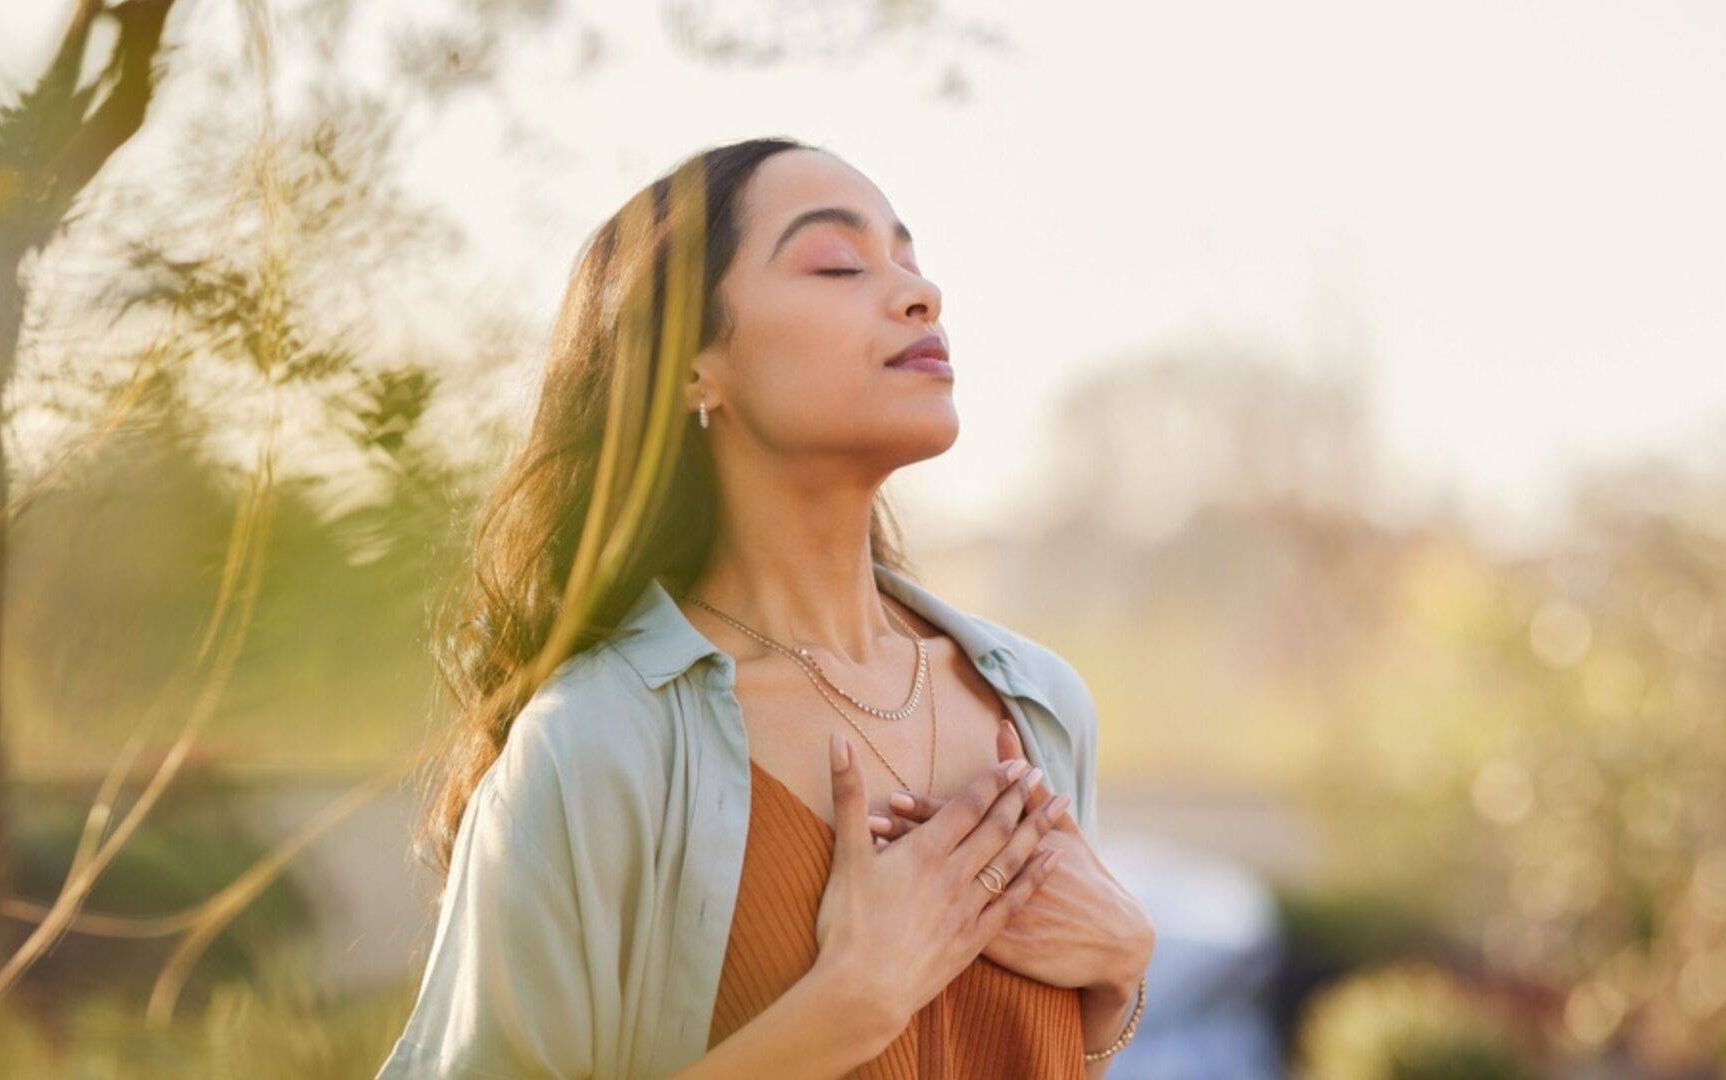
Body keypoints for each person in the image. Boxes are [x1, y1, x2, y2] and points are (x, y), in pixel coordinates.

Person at [376, 136, 1154, 1079]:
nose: (920, 294)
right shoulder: (596, 746)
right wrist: (845, 1006)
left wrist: (1119, 974)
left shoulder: (1039, 704)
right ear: (693, 369)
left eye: (910, 260)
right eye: (837, 263)